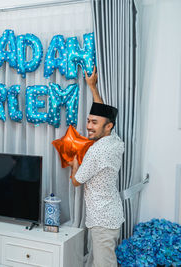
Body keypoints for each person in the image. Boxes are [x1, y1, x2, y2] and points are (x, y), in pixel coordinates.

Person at [68, 67, 125, 267]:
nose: (89, 126)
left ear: (108, 126)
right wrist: (93, 87)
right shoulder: (115, 141)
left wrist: (75, 161)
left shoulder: (96, 152)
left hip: (101, 221)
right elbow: (103, 114)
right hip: (111, 216)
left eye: (94, 123)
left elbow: (76, 181)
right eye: (88, 121)